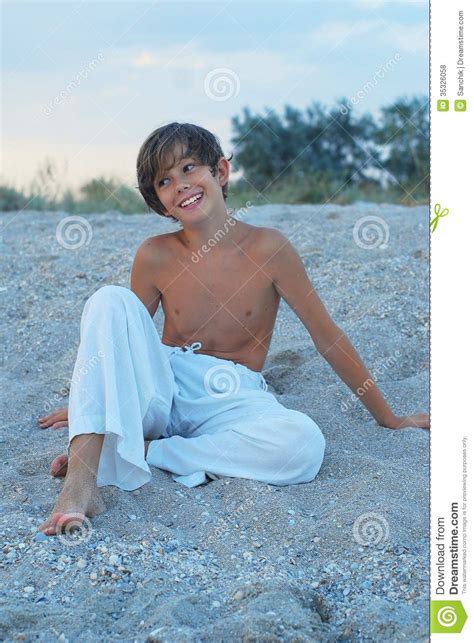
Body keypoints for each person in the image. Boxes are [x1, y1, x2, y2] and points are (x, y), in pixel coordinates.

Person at [37, 122, 429, 536]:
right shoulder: (154, 255)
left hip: (233, 396)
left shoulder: (269, 248)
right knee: (108, 299)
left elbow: (325, 335)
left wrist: (389, 418)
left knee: (303, 445)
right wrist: (94, 399)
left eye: (189, 168)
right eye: (165, 181)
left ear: (220, 172)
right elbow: (122, 335)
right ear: (161, 203)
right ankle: (82, 485)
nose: (181, 185)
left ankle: (143, 452)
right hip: (167, 383)